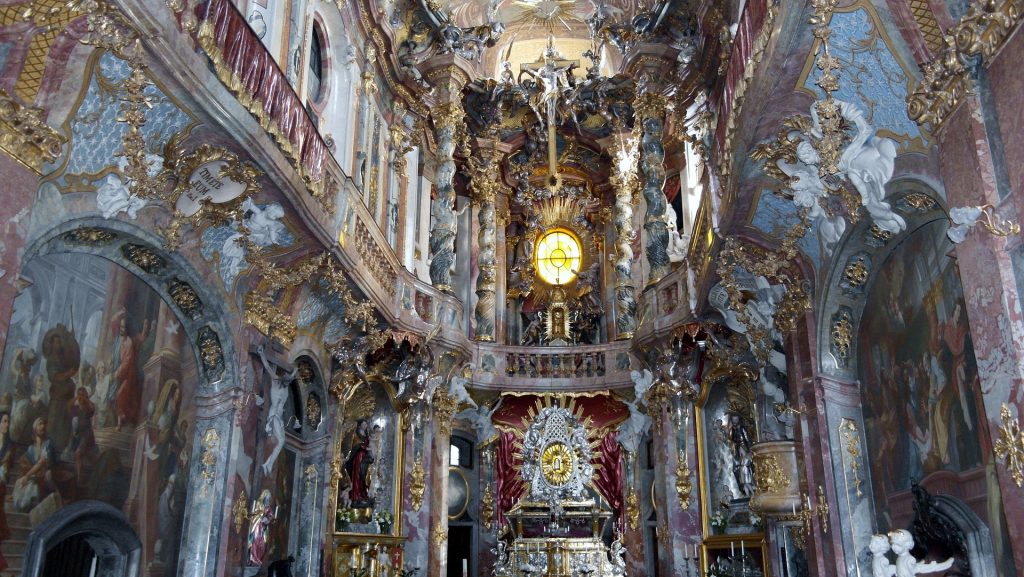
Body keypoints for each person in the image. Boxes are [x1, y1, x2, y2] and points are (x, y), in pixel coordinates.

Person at [258, 347, 298, 476]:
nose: (287, 384)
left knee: (282, 441)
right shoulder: (275, 382)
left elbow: (292, 375)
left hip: (279, 417)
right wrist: (261, 354)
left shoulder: (286, 385)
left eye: (289, 383)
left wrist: (295, 370)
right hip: (274, 415)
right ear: (283, 380)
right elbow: (268, 368)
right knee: (281, 441)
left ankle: (268, 463)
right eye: (287, 382)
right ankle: (267, 463)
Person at [13, 417, 57, 512]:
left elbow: (42, 462)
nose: (43, 426)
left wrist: (27, 476)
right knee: (19, 483)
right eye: (40, 424)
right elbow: (24, 462)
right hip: (35, 475)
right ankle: (23, 507)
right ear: (34, 429)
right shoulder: (31, 449)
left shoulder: (48, 444)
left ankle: (34, 506)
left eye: (44, 424)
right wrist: (27, 475)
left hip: (46, 475)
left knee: (33, 484)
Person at [66, 386, 97, 480]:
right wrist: (76, 397)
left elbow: (93, 408)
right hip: (78, 435)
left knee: (78, 453)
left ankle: (79, 478)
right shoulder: (75, 408)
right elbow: (68, 406)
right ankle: (98, 471)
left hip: (87, 435)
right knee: (87, 455)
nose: (80, 397)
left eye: (82, 395)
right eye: (79, 394)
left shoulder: (88, 407)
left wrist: (86, 399)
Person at [343, 419, 374, 507]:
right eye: (363, 424)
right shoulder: (356, 435)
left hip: (365, 458)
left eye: (366, 424)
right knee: (357, 476)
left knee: (364, 477)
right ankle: (356, 497)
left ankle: (363, 496)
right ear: (359, 425)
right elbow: (355, 445)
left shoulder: (367, 436)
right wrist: (364, 447)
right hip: (358, 458)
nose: (365, 426)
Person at [247, 489, 275, 567]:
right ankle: (253, 559)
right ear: (264, 496)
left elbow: (271, 516)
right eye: (267, 498)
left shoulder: (268, 507)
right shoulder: (258, 504)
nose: (268, 500)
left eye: (269, 498)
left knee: (263, 543)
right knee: (255, 541)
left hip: (264, 528)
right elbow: (255, 513)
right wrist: (261, 517)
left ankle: (259, 559)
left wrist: (268, 519)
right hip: (257, 526)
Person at [0, 412, 13, 571]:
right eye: (3, 421)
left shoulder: (10, 446)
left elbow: (5, 468)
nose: (6, 425)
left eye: (8, 421)